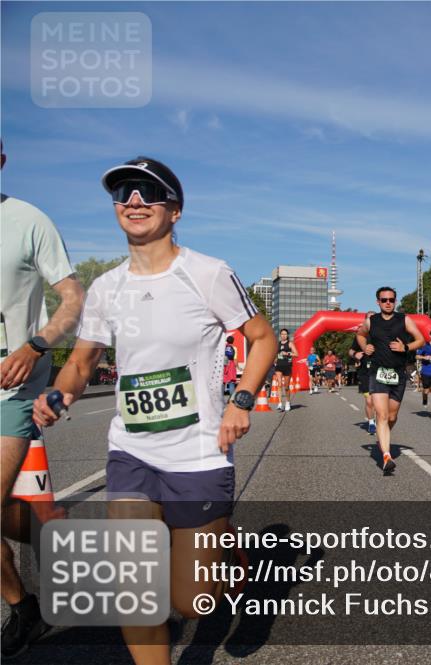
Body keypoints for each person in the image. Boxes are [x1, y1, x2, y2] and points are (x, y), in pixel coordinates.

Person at [32, 155, 277, 665]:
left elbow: (262, 338)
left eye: (148, 190)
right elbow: (83, 360)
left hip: (199, 454)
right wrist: (60, 394)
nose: (134, 201)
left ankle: (226, 550)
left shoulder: (207, 274)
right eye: (123, 192)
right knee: (136, 590)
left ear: (176, 210)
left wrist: (242, 401)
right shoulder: (106, 288)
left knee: (193, 600)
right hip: (132, 452)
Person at [0, 141, 85, 658]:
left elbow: (73, 300)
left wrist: (36, 345)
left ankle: (22, 608)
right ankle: (31, 594)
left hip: (12, 381)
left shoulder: (28, 220)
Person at [355, 287, 424, 475]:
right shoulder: (371, 321)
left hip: (398, 374)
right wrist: (365, 346)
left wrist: (406, 347)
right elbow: (360, 334)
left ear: (395, 301)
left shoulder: (404, 319)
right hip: (378, 373)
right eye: (384, 299)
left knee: (392, 417)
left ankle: (382, 435)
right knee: (382, 416)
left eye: (391, 300)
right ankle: (386, 456)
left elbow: (421, 339)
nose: (388, 302)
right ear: (377, 301)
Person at [350, 337, 376, 434]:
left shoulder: (383, 331)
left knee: (379, 401)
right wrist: (354, 354)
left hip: (380, 371)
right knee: (369, 401)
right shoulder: (360, 336)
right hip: (365, 373)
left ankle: (380, 421)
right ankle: (371, 423)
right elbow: (350, 351)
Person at [274, 328, 298, 411]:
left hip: (287, 366)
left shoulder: (290, 344)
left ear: (287, 335)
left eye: (285, 334)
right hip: (279, 366)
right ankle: (280, 403)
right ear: (280, 335)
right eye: (282, 334)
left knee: (286, 387)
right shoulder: (278, 344)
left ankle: (287, 402)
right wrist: (275, 359)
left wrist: (287, 353)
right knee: (279, 384)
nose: (283, 335)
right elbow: (275, 354)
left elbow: (296, 354)